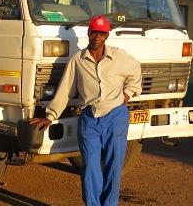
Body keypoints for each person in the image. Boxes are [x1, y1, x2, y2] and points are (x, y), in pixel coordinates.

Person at [30, 15, 142, 206]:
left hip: (116, 116)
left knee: (113, 166)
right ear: (88, 33)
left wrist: (126, 95)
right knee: (90, 166)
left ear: (106, 36)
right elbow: (65, 90)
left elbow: (135, 72)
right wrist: (50, 116)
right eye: (94, 32)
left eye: (101, 33)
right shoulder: (78, 60)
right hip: (90, 118)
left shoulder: (120, 57)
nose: (97, 37)